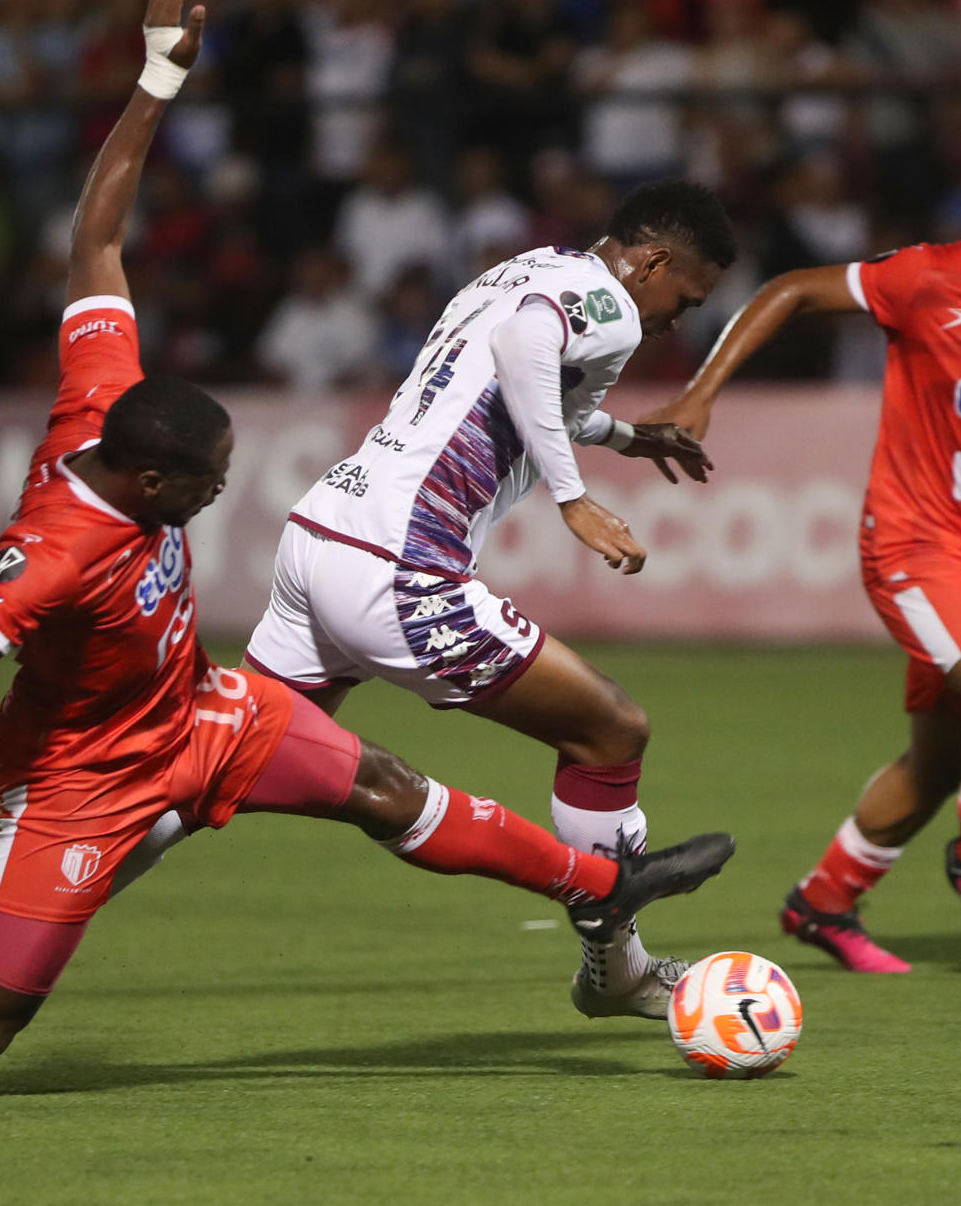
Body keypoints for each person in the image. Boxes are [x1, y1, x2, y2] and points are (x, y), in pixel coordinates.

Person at [0, 0, 733, 1099]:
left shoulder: (100, 399)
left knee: (382, 784)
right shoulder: (65, 546)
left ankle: (602, 884)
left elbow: (95, 243)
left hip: (204, 711)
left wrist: (157, 78)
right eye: (208, 484)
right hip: (85, 773)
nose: (222, 495)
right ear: (154, 479)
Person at [643, 121, 961, 971]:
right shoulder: (927, 277)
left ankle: (824, 901)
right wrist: (700, 395)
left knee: (937, 765)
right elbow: (794, 290)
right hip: (911, 544)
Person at [242, 178, 737, 1020]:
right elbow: (523, 350)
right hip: (399, 566)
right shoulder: (609, 305)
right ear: (651, 261)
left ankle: (35, 893)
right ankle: (615, 968)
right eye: (684, 298)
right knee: (611, 730)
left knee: (215, 755)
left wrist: (626, 434)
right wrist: (573, 496)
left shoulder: (529, 267)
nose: (675, 321)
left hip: (321, 534)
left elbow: (516, 378)